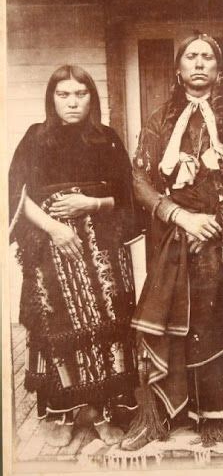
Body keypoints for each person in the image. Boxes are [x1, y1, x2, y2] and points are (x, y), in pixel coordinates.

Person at [122, 33, 223, 450]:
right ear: (178, 69)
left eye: (208, 57)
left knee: (217, 322)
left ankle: (216, 417)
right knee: (171, 324)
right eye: (191, 56)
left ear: (219, 69)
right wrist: (181, 217)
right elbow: (139, 182)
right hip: (174, 241)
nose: (200, 63)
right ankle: (161, 417)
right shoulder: (159, 120)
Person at [9, 65, 140, 447]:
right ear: (51, 98)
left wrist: (92, 202)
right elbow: (18, 196)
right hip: (51, 248)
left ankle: (101, 412)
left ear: (91, 98)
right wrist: (54, 228)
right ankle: (63, 413)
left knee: (107, 325)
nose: (72, 102)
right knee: (56, 327)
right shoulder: (35, 138)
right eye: (63, 94)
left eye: (79, 94)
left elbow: (127, 197)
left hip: (102, 249)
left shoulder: (108, 139)